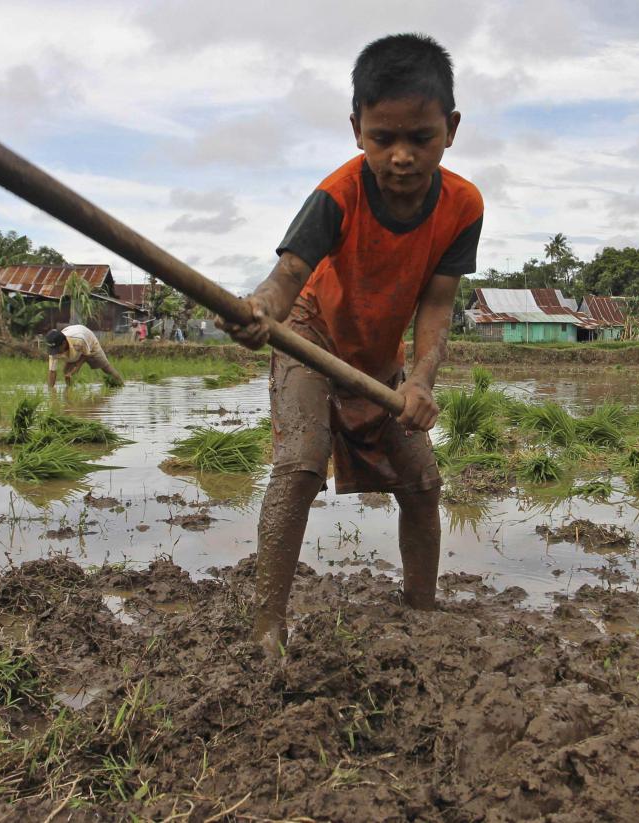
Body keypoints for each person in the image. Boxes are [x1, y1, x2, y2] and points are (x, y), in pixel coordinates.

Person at [217, 33, 482, 652]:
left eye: (421, 138)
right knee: (301, 462)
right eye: (382, 138)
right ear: (356, 130)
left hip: (378, 360)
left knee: (421, 482)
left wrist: (420, 380)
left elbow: (437, 305)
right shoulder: (339, 194)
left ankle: (421, 610)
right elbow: (287, 277)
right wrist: (260, 313)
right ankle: (267, 628)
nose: (401, 158)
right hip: (310, 334)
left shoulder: (463, 206)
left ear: (451, 127)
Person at [45, 324, 123, 388]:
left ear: (63, 344)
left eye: (56, 350)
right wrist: (50, 391)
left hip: (90, 344)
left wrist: (76, 368)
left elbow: (86, 355)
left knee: (106, 367)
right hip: (74, 346)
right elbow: (52, 371)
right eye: (53, 350)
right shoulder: (55, 348)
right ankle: (70, 390)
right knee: (66, 372)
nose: (55, 353)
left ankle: (121, 385)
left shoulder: (78, 340)